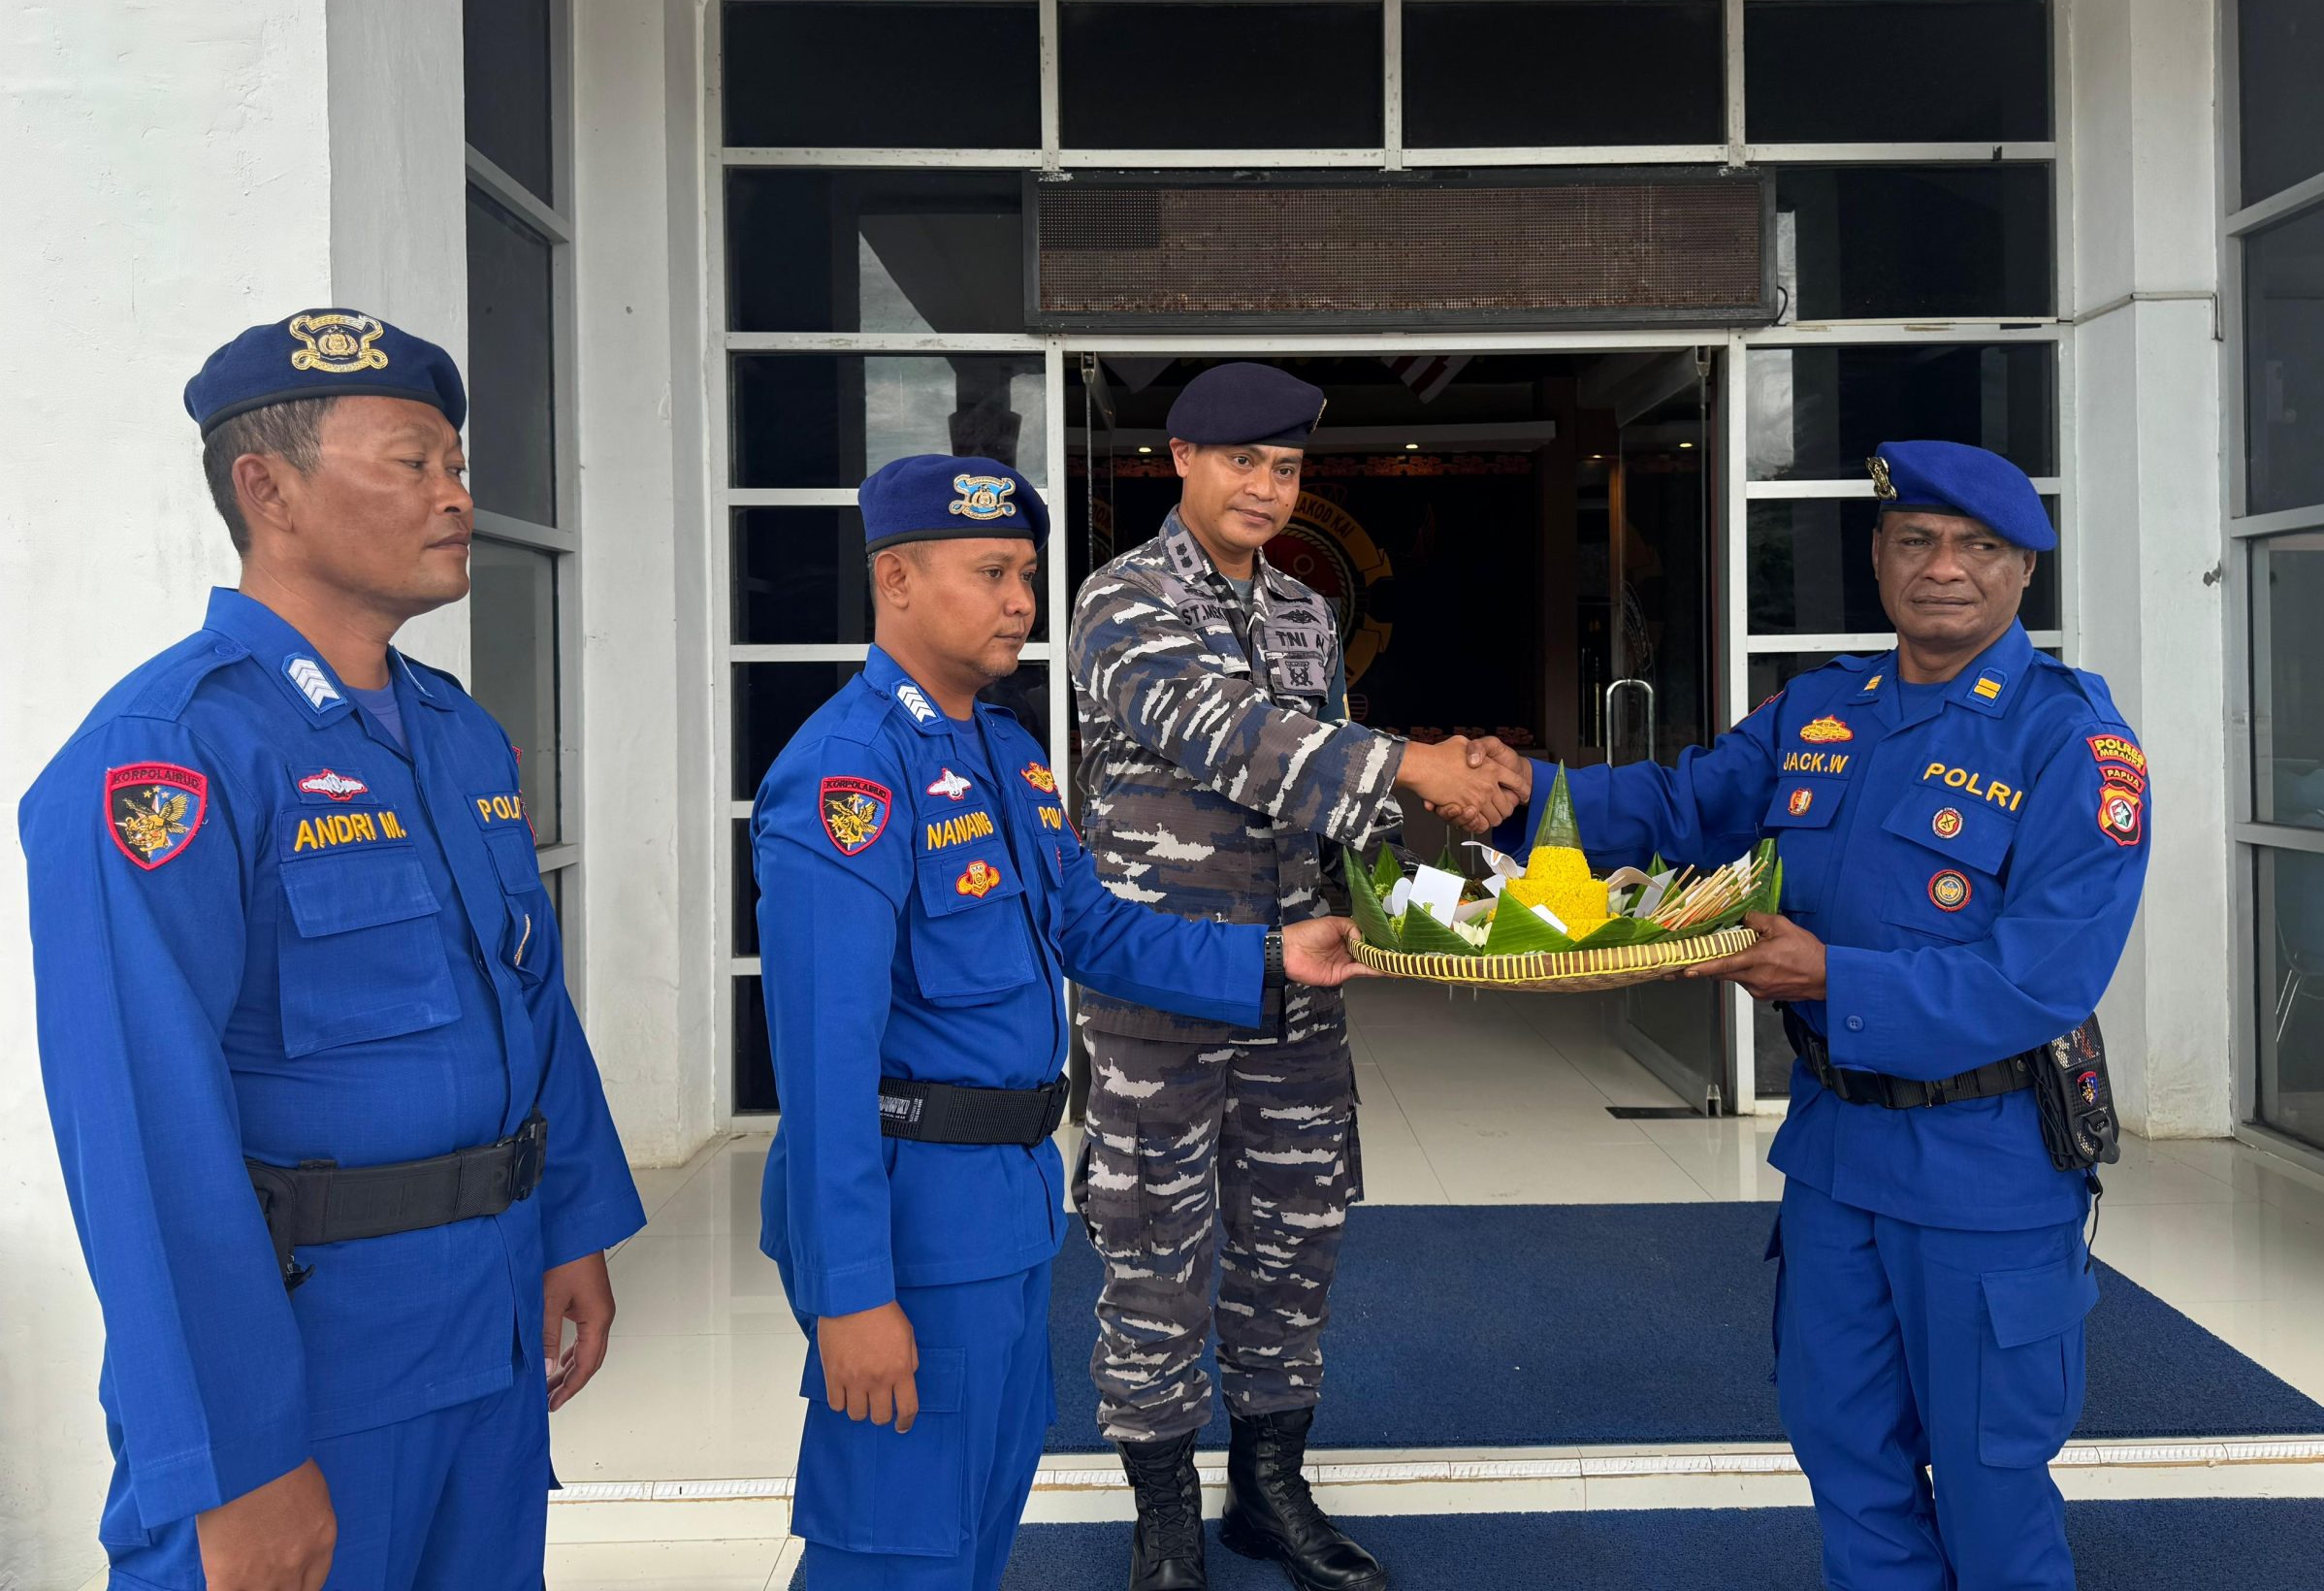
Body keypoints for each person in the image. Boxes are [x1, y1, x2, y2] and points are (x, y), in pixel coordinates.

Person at [19, 310, 645, 1591]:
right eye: (411, 462)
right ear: (269, 491)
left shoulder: (457, 737)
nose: (457, 497)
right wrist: (236, 1463)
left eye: (457, 465)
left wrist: (569, 1222)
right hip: (308, 1361)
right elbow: (143, 1137)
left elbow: (528, 1002)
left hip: (481, 1335)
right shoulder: (171, 757)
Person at [1485, 441, 2148, 1591]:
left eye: (1978, 547)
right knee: (1848, 1464)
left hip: (1983, 1171)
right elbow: (1681, 805)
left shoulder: (2073, 745)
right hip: (1837, 1159)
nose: (1944, 568)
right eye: (1915, 542)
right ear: (1879, 558)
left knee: (1992, 1490)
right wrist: (1512, 795)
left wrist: (1833, 978)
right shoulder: (1822, 707)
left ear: (2023, 571)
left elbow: (2038, 980)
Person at [753, 451, 1371, 1591]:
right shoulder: (849, 772)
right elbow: (822, 1062)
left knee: (975, 1524)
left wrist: (1274, 956)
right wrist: (850, 1293)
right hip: (908, 1205)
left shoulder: (1003, 751)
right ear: (895, 582)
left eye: (1027, 575)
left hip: (1006, 1200)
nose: (1022, 603)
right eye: (989, 573)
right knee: (892, 1543)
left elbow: (1096, 930)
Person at [1066, 362, 1526, 1591]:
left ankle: (1269, 1488)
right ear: (1179, 459)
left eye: (1285, 469)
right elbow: (1235, 739)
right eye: (1241, 463)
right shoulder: (1120, 603)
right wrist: (1417, 765)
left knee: (1292, 1243)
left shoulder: (1307, 615)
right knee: (1152, 1251)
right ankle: (1161, 1512)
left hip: (1296, 986)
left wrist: (1461, 899)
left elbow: (1331, 809)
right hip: (1160, 988)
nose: (1266, 489)